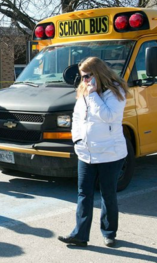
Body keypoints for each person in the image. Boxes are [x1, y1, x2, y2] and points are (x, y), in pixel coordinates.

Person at [58, 57, 129, 247]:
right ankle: (80, 235)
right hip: (86, 152)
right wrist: (77, 139)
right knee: (83, 193)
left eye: (88, 76)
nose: (84, 80)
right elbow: (77, 117)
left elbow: (109, 116)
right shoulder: (84, 90)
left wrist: (93, 95)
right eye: (82, 77)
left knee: (107, 194)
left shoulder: (115, 91)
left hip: (110, 153)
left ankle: (109, 232)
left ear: (98, 73)